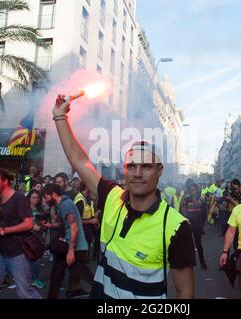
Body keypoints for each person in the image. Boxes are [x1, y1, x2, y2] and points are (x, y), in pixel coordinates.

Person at [52, 95, 195, 299]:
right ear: (124, 170)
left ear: (159, 170)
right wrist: (60, 117)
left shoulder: (177, 226)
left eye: (146, 166)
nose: (137, 173)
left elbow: (185, 292)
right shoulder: (112, 197)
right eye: (131, 166)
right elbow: (79, 161)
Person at [0, 168, 42, 299]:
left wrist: (2, 230)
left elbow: (29, 224)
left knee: (25, 294)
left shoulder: (19, 198)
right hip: (0, 253)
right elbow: (2, 225)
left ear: (5, 181)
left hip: (18, 255)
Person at [42, 183, 92, 299]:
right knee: (59, 274)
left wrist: (70, 250)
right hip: (70, 246)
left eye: (46, 197)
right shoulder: (61, 205)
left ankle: (102, 291)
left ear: (53, 194)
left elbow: (74, 227)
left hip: (74, 247)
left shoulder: (66, 204)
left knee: (82, 274)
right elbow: (65, 225)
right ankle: (70, 292)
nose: (45, 200)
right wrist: (50, 224)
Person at [180, 179, 207, 270]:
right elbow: (181, 208)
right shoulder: (186, 197)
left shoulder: (200, 196)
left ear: (196, 188)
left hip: (197, 224)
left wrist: (192, 197)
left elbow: (198, 205)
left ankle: (202, 262)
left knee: (198, 244)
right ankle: (189, 263)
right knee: (188, 244)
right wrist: (185, 195)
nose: (192, 191)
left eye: (194, 189)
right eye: (190, 189)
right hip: (188, 223)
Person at [28, 190, 47, 289]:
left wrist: (43, 225)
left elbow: (44, 222)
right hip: (28, 238)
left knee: (37, 259)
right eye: (33, 197)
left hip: (39, 237)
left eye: (37, 197)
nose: (35, 199)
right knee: (31, 259)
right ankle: (31, 279)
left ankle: (34, 278)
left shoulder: (41, 209)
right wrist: (31, 227)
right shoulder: (25, 209)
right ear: (29, 198)